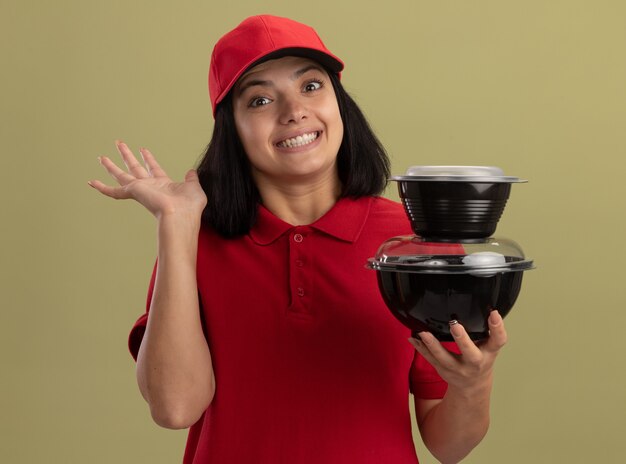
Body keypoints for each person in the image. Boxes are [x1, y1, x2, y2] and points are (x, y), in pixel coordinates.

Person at [88, 14, 507, 464]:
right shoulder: (193, 238)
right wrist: (175, 223)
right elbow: (175, 408)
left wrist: (473, 384)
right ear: (232, 129)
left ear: (339, 102)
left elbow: (448, 445)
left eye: (311, 86)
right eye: (260, 99)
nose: (294, 111)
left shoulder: (418, 243)